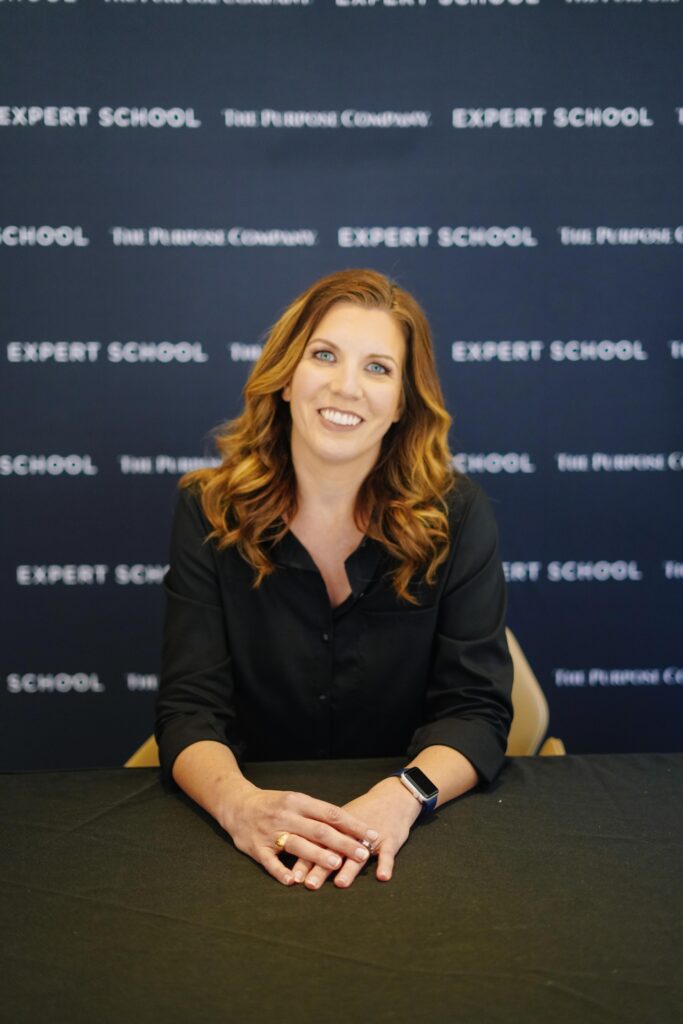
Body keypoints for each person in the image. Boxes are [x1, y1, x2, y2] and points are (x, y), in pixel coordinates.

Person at [155, 268, 513, 891]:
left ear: (403, 401)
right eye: (325, 355)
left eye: (378, 368)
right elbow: (190, 709)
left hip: (411, 835)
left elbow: (475, 709)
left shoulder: (458, 515)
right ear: (288, 376)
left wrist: (404, 796)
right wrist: (240, 804)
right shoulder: (209, 510)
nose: (347, 387)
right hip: (252, 834)